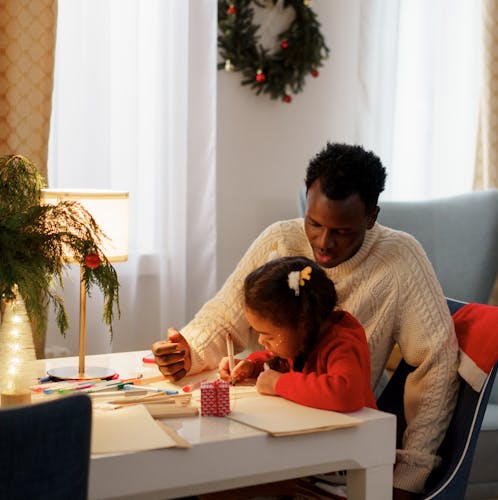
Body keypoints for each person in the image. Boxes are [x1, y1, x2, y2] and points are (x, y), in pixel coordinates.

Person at [152, 142, 459, 498]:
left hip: (334, 445)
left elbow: (438, 362)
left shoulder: (400, 258)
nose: (323, 242)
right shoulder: (280, 238)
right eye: (313, 223)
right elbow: (225, 316)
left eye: (342, 231)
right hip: (271, 427)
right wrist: (188, 350)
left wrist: (407, 475)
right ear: (306, 202)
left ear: (371, 217)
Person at [219, 255, 377, 412]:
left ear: (302, 325)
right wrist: (252, 366)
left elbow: (346, 395)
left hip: (356, 434)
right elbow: (280, 360)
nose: (261, 341)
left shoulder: (342, 344)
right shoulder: (299, 341)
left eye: (269, 336)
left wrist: (278, 383)